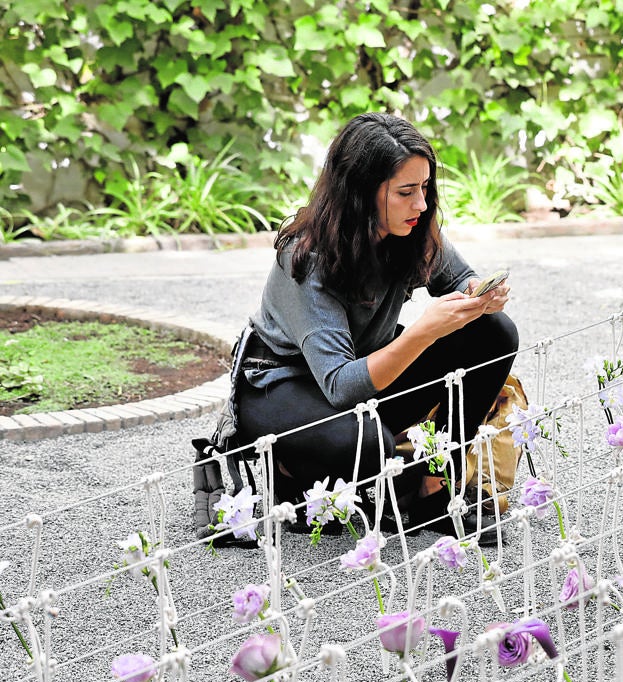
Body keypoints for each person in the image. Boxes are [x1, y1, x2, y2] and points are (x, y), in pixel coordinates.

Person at [213, 112, 517, 546]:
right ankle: (284, 467)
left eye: (426, 188)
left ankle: (432, 486)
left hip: (361, 376)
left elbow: (458, 279)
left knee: (494, 332)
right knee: (369, 446)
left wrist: (481, 295)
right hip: (284, 385)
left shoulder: (412, 230)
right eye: (406, 192)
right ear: (360, 195)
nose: (422, 205)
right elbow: (341, 386)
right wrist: (423, 333)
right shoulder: (308, 257)